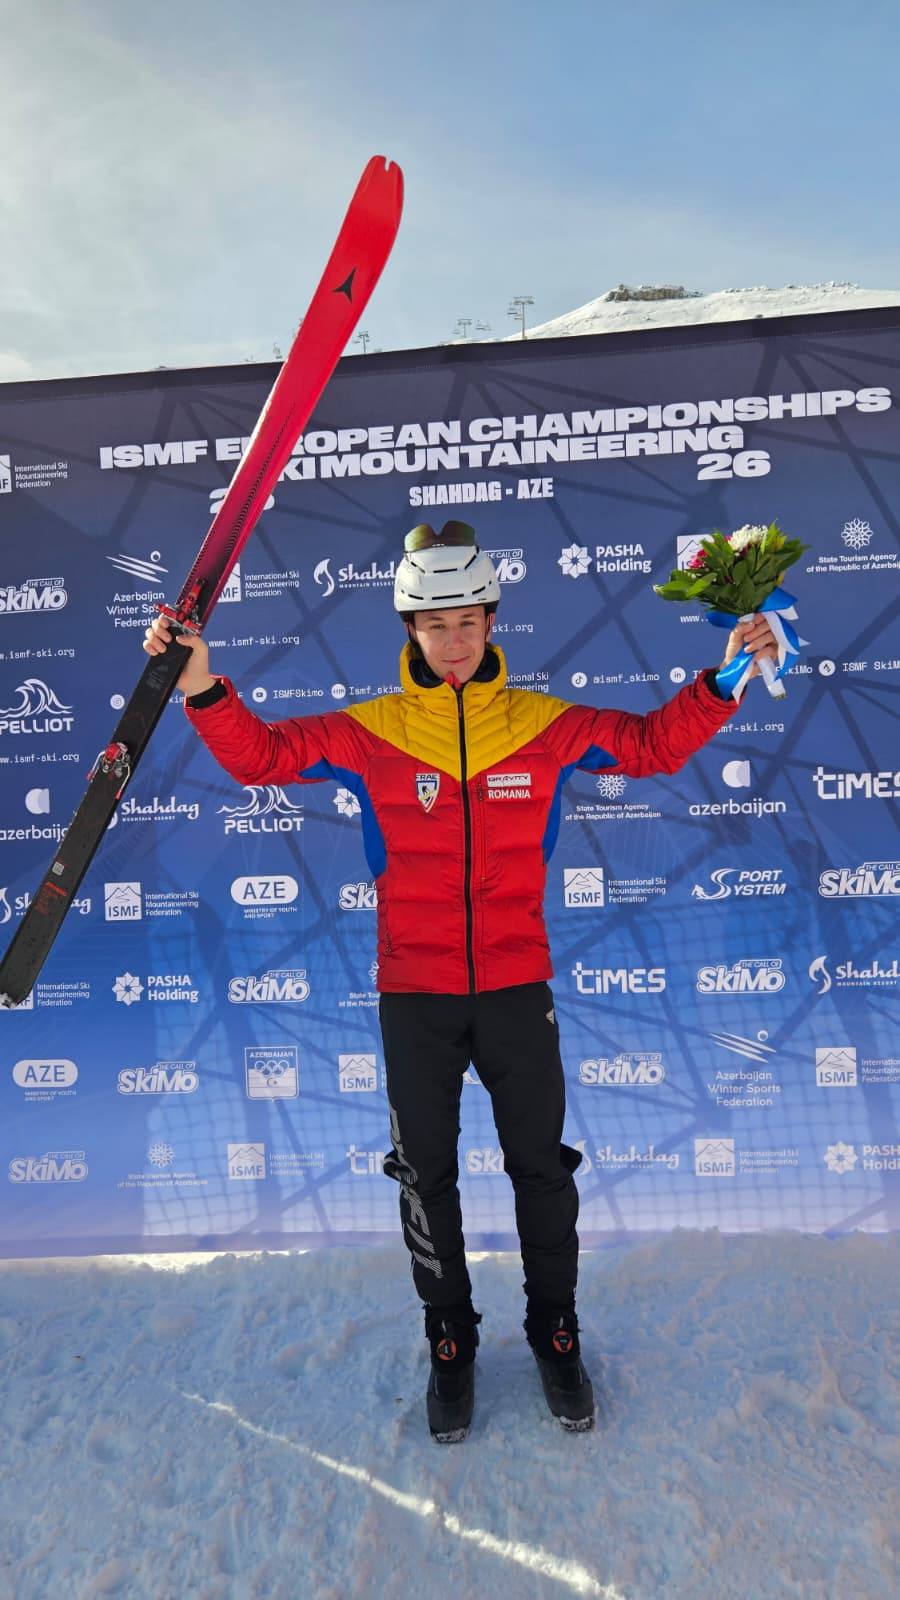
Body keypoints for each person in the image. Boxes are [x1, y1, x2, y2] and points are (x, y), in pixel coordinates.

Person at [144, 519, 779, 1441]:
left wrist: (724, 678)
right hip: (416, 995)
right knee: (425, 1179)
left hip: (518, 987)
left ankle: (555, 1333)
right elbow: (263, 758)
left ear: (491, 623)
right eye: (435, 625)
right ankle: (451, 1339)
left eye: (469, 622)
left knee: (542, 1173)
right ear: (409, 628)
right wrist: (198, 679)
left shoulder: (540, 722)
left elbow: (650, 744)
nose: (453, 641)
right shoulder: (373, 731)